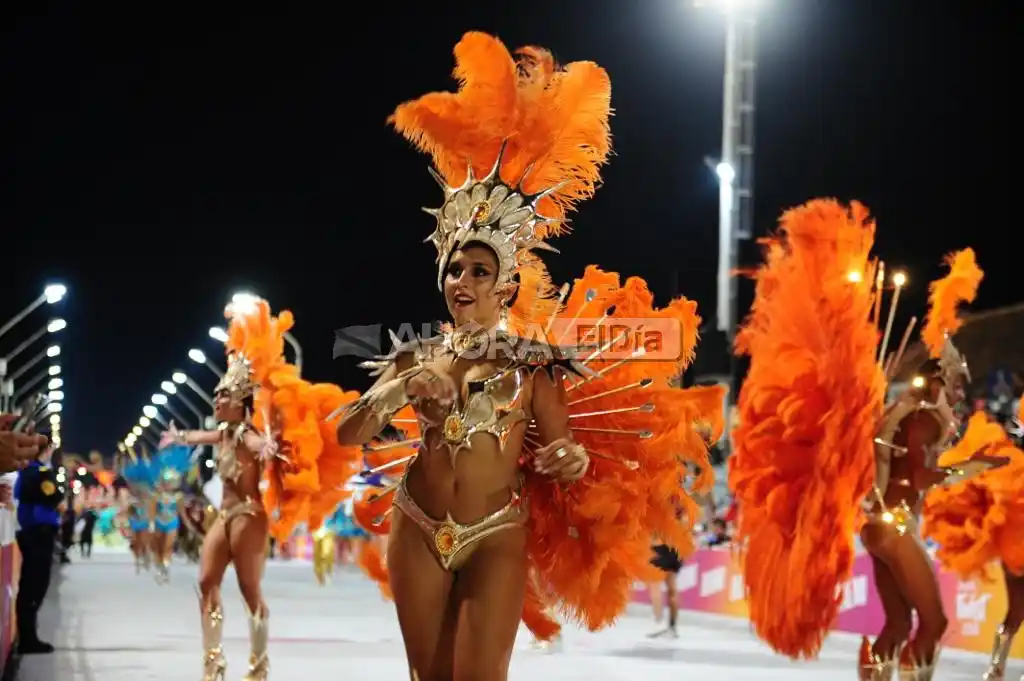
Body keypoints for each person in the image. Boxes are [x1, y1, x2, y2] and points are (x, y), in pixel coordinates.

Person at [335, 31, 724, 681]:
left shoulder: (535, 364)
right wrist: (396, 392)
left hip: (496, 531)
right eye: (455, 268)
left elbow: (565, 454)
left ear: (508, 283)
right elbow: (348, 431)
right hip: (416, 524)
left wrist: (567, 456)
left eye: (480, 269)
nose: (463, 280)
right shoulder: (414, 354)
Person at [727, 201, 1006, 681]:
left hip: (883, 527)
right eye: (957, 376)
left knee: (899, 622)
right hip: (894, 528)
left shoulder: (918, 415)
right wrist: (975, 467)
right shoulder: (924, 417)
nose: (963, 385)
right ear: (939, 379)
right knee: (933, 622)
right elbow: (921, 474)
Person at [161, 299, 359, 681]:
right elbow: (199, 435)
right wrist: (178, 436)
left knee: (249, 589)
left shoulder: (248, 434)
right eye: (217, 396)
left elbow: (258, 446)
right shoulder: (221, 434)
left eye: (223, 396)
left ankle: (258, 665)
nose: (217, 400)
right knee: (205, 581)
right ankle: (213, 661)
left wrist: (269, 447)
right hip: (224, 516)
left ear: (240, 404)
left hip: (250, 516)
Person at [922, 410, 1024, 681]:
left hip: (1014, 545)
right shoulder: (1011, 464)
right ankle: (995, 667)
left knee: (1016, 609)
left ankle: (995, 667)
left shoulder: (1009, 460)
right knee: (1016, 609)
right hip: (1016, 545)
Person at [13, 440, 61, 654]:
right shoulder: (40, 473)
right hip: (39, 532)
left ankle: (28, 636)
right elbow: (53, 496)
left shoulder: (26, 472)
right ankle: (28, 638)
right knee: (35, 586)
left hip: (31, 531)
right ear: (47, 450)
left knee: (31, 585)